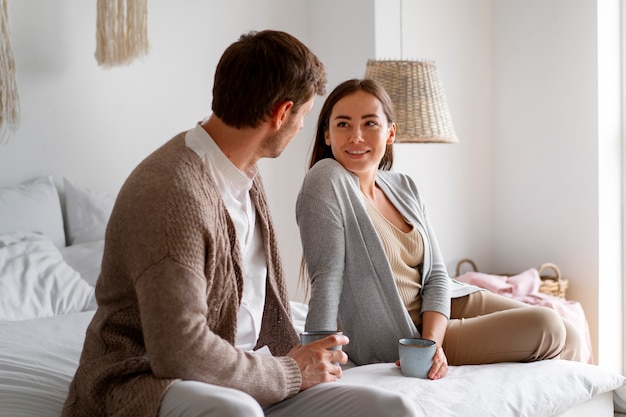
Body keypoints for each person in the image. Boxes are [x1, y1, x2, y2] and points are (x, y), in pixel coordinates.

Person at [62, 33, 418, 417]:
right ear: (282, 114)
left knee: (391, 407)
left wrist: (294, 365)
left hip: (250, 374)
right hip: (148, 380)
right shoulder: (170, 193)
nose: (301, 128)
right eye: (303, 116)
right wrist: (288, 371)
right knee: (236, 413)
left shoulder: (244, 172)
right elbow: (179, 352)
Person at [296, 78, 584, 380]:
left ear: (390, 132)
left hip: (444, 305)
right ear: (327, 134)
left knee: (571, 332)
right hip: (405, 332)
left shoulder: (403, 186)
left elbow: (435, 275)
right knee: (547, 325)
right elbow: (326, 278)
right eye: (343, 125)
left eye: (370, 123)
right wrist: (318, 355)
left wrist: (433, 341)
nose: (356, 136)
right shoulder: (326, 179)